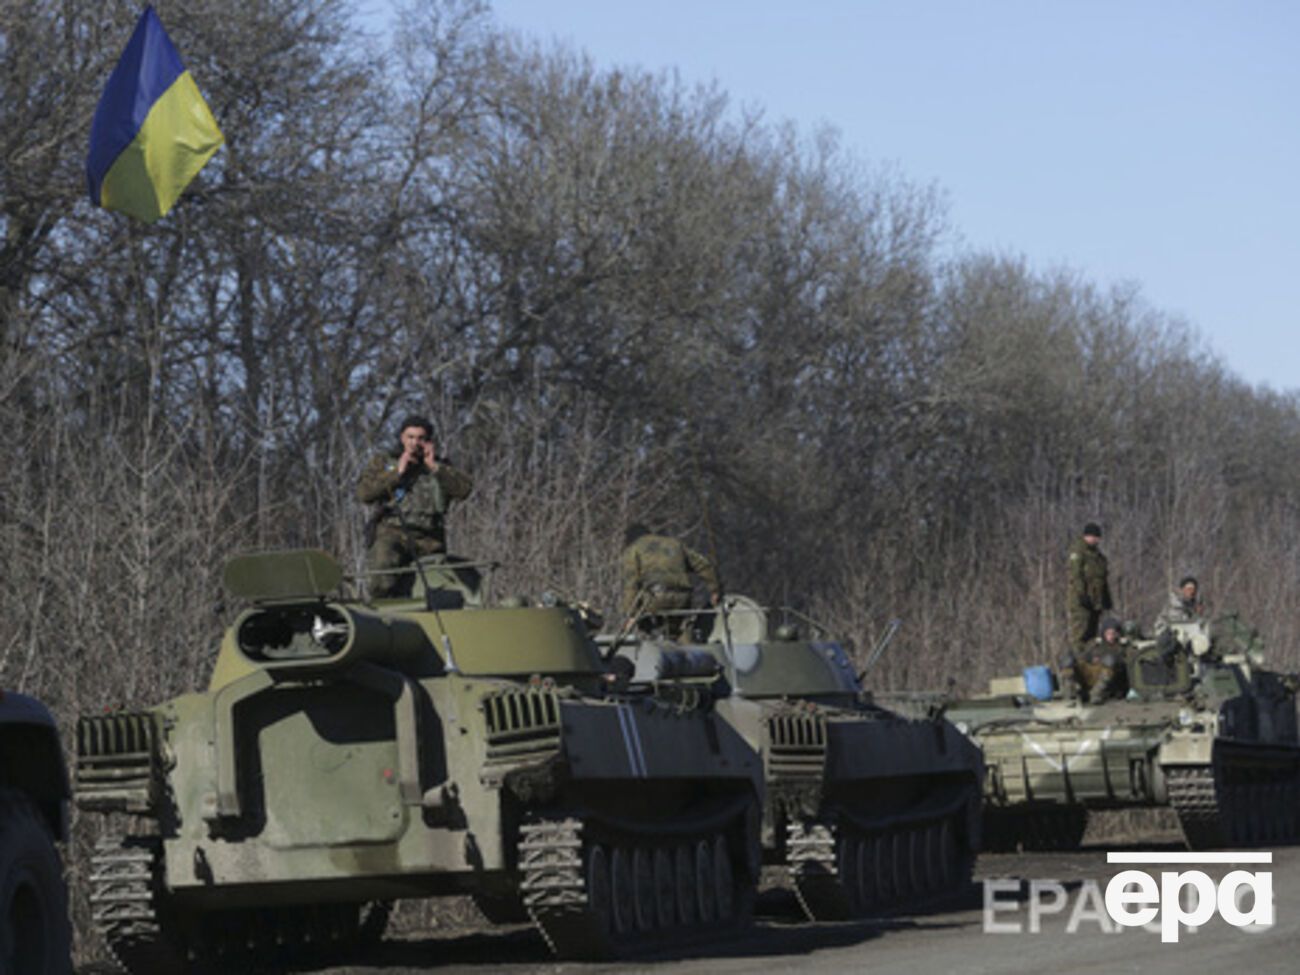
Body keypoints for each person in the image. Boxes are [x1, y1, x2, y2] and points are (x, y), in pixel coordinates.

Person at [357, 415, 473, 598]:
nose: (414, 443)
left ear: (428, 442)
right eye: (410, 437)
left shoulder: (440, 467)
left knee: (439, 586)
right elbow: (364, 494)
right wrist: (398, 473)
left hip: (430, 537)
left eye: (420, 438)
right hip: (393, 532)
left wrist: (434, 467)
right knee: (382, 572)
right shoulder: (384, 463)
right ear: (402, 438)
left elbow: (464, 490)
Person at [620, 524, 720, 638]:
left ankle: (653, 637)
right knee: (674, 633)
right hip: (683, 598)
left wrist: (632, 614)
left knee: (647, 627)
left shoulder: (634, 549)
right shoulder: (675, 544)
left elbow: (631, 583)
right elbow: (704, 566)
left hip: (654, 599)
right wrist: (715, 590)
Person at [1066, 522, 1112, 651]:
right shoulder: (1078, 552)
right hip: (1081, 601)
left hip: (1095, 601)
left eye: (1098, 537)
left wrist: (1106, 598)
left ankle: (1089, 660)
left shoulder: (1098, 556)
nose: (1096, 540)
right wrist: (1082, 594)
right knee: (1080, 632)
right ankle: (1077, 661)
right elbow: (1075, 576)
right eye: (1094, 537)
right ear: (1087, 536)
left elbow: (1102, 578)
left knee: (1092, 634)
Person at [1070, 617, 1130, 703]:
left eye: (1113, 633)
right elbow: (1084, 659)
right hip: (1093, 676)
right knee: (1070, 661)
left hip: (1111, 681)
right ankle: (1072, 695)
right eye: (1108, 633)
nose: (1111, 636)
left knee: (1109, 660)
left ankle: (1096, 694)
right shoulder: (1095, 646)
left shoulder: (1121, 648)